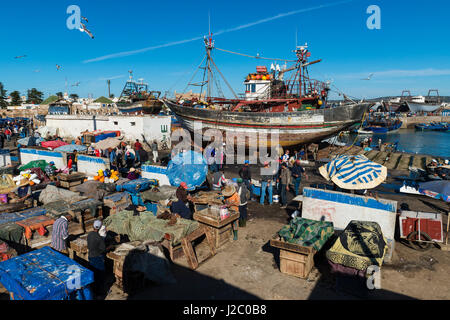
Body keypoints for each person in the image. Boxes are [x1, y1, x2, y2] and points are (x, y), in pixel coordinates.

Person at [87, 220, 107, 297]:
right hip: (98, 257)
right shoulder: (99, 237)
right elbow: (103, 249)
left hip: (91, 256)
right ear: (99, 227)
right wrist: (111, 247)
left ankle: (93, 289)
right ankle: (100, 292)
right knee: (100, 275)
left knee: (93, 273)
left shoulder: (90, 234)